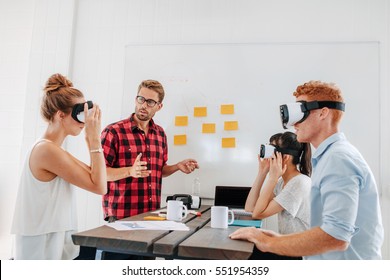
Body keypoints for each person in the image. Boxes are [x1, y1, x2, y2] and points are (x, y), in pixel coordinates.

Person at [230, 80, 384, 260]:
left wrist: (269, 243)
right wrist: (280, 239)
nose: (293, 124)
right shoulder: (328, 158)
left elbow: (337, 237)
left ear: (323, 113)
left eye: (300, 112)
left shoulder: (338, 159)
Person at [11, 73, 107, 260]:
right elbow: (99, 186)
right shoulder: (46, 150)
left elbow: (95, 175)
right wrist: (94, 138)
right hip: (40, 248)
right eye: (80, 114)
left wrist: (90, 140)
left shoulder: (52, 148)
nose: (84, 121)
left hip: (50, 242)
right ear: (60, 115)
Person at [101, 79, 199, 222]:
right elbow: (100, 173)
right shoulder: (113, 132)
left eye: (150, 102)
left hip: (152, 215)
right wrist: (130, 171)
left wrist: (177, 167)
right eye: (141, 99)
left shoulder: (160, 134)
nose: (143, 105)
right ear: (136, 99)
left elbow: (159, 171)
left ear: (159, 106)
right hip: (121, 215)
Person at [245, 131, 311, 235]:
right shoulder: (282, 182)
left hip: (300, 250)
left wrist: (272, 178)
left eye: (272, 152)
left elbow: (257, 214)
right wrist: (262, 173)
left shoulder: (299, 183)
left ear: (285, 158)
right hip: (286, 247)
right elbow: (250, 208)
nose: (269, 157)